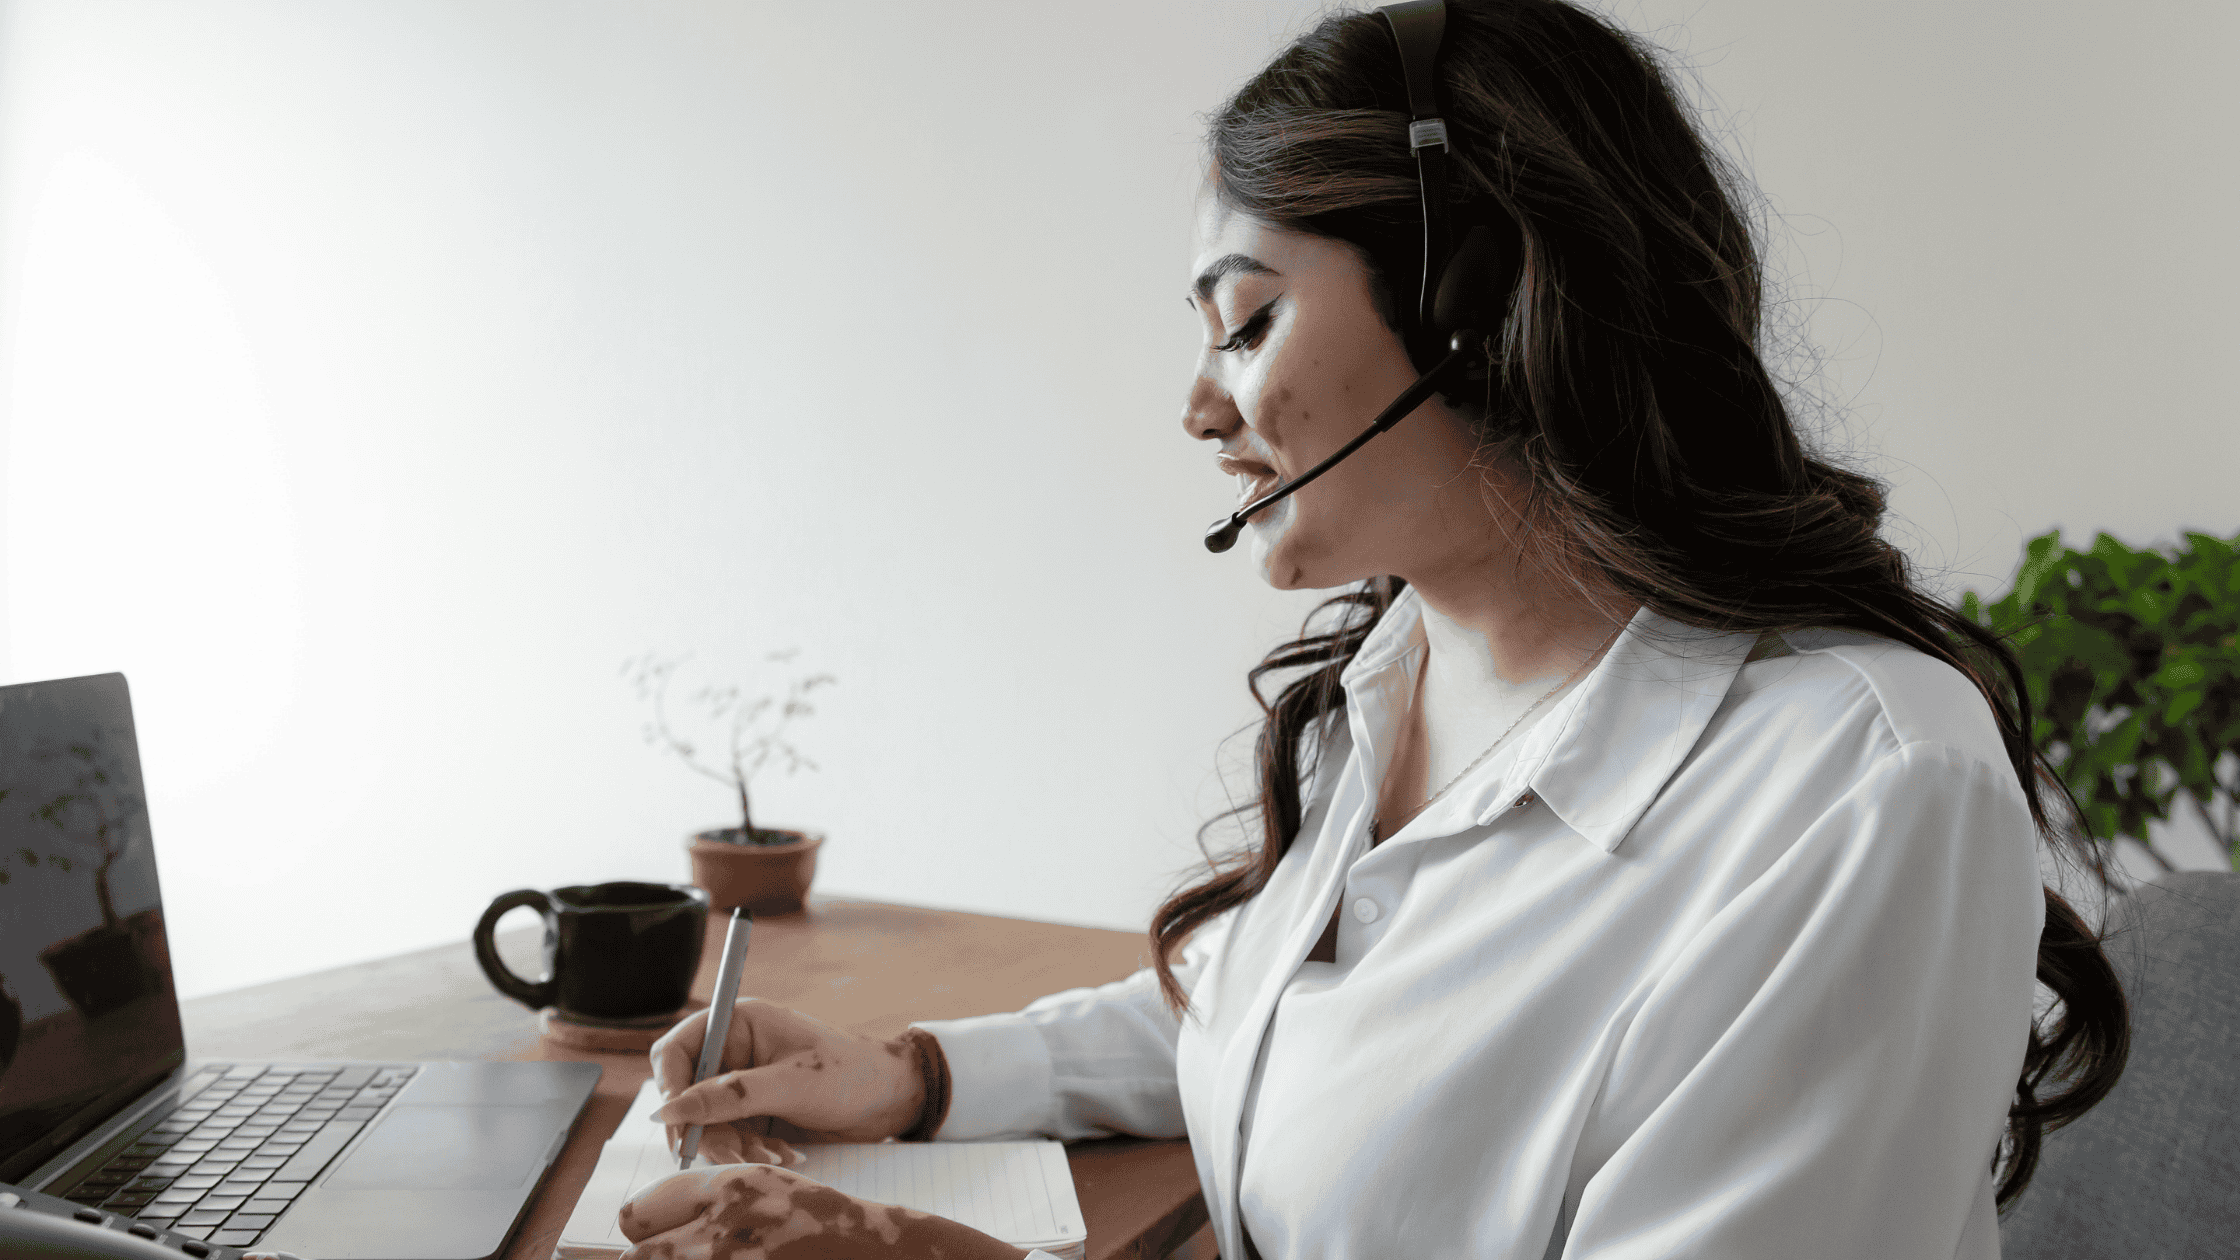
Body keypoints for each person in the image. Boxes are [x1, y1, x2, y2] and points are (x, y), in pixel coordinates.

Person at [613, 1, 2129, 1256]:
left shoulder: (1855, 787)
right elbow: (1310, 1023)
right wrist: (915, 1072)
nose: (1201, 408)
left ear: (1477, 305)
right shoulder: (1405, 672)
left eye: (1249, 319)